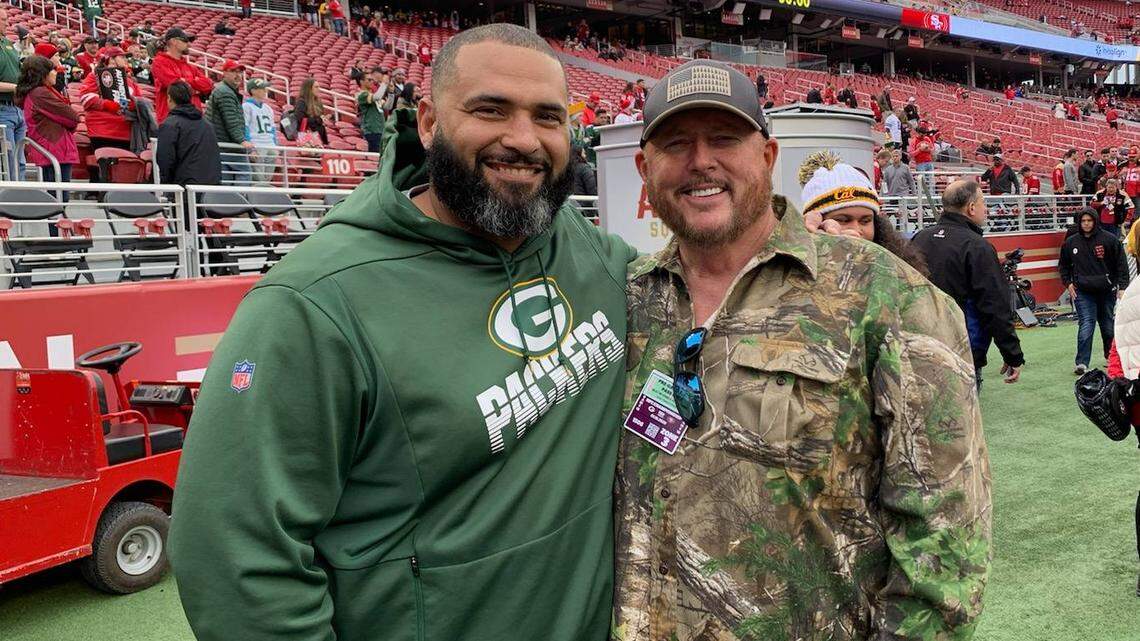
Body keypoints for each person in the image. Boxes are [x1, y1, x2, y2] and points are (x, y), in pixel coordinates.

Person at [169, 24, 636, 641]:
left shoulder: (593, 255)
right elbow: (235, 556)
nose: (523, 139)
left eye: (547, 117)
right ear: (428, 121)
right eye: (490, 110)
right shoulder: (313, 302)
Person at [614, 59, 991, 641]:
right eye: (676, 143)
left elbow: (945, 539)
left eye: (724, 139)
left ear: (767, 156)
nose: (701, 161)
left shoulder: (884, 293)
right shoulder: (629, 297)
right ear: (645, 168)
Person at [911, 180, 1025, 390]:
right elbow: (994, 306)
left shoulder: (919, 239)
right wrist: (1012, 353)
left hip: (919, 347)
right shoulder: (977, 247)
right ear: (971, 207)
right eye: (983, 202)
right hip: (962, 350)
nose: (986, 208)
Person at [798, 150, 927, 274]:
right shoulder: (795, 269)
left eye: (865, 221)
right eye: (843, 220)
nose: (856, 230)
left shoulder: (899, 271)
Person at [1060, 207, 1130, 374]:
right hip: (1083, 292)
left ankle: (1110, 358)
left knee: (1107, 325)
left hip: (1107, 290)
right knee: (1086, 324)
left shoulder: (1110, 239)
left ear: (1095, 221)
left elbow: (1122, 263)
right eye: (1083, 221)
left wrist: (1122, 287)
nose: (1086, 224)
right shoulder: (1071, 242)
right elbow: (1063, 265)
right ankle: (1082, 363)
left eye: (1089, 220)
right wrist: (1068, 283)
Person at [16, 55, 79, 188]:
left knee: (57, 196)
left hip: (54, 147)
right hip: (53, 148)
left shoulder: (38, 92)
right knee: (59, 197)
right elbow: (73, 118)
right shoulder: (40, 93)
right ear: (43, 73)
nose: (56, 73)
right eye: (53, 70)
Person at [155, 80, 221, 186]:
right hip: (212, 188)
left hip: (184, 189)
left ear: (169, 98)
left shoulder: (170, 124)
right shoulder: (207, 124)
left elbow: (165, 160)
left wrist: (167, 184)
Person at [205, 59, 252, 184]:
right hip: (228, 145)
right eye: (233, 71)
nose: (238, 75)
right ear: (224, 73)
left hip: (221, 144)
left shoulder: (225, 90)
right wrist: (241, 140)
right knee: (244, 176)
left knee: (226, 181)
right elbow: (231, 120)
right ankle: (240, 204)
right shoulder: (225, 92)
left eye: (240, 72)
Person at [151, 27, 212, 123]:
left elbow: (208, 84)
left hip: (194, 119)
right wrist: (195, 86)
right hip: (171, 120)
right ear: (174, 41)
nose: (189, 44)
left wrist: (185, 81)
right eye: (185, 40)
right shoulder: (159, 62)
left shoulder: (190, 66)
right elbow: (177, 87)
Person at [0, 10, 27, 180]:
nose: (6, 22)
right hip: (2, 110)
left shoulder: (8, 43)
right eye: (2, 19)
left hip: (16, 109)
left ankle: (21, 199)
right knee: (8, 161)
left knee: (19, 162)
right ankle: (9, 202)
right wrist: (16, 87)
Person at [242, 78, 278, 184]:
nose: (265, 91)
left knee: (268, 177)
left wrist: (276, 145)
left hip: (270, 145)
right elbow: (245, 127)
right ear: (253, 91)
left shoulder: (268, 108)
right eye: (262, 89)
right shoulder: (246, 106)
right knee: (258, 178)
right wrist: (250, 148)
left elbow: (272, 129)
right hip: (257, 144)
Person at [293, 77, 328, 146]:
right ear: (308, 89)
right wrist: (318, 120)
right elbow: (300, 119)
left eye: (319, 87)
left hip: (318, 137)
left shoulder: (317, 102)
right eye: (316, 87)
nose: (318, 89)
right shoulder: (301, 102)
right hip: (308, 138)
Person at [355, 74, 384, 153]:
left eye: (372, 80)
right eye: (369, 80)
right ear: (361, 82)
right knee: (376, 157)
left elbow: (388, 106)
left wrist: (391, 93)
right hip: (371, 130)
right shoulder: (362, 95)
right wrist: (384, 84)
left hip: (380, 129)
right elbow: (377, 97)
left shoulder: (372, 95)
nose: (372, 82)